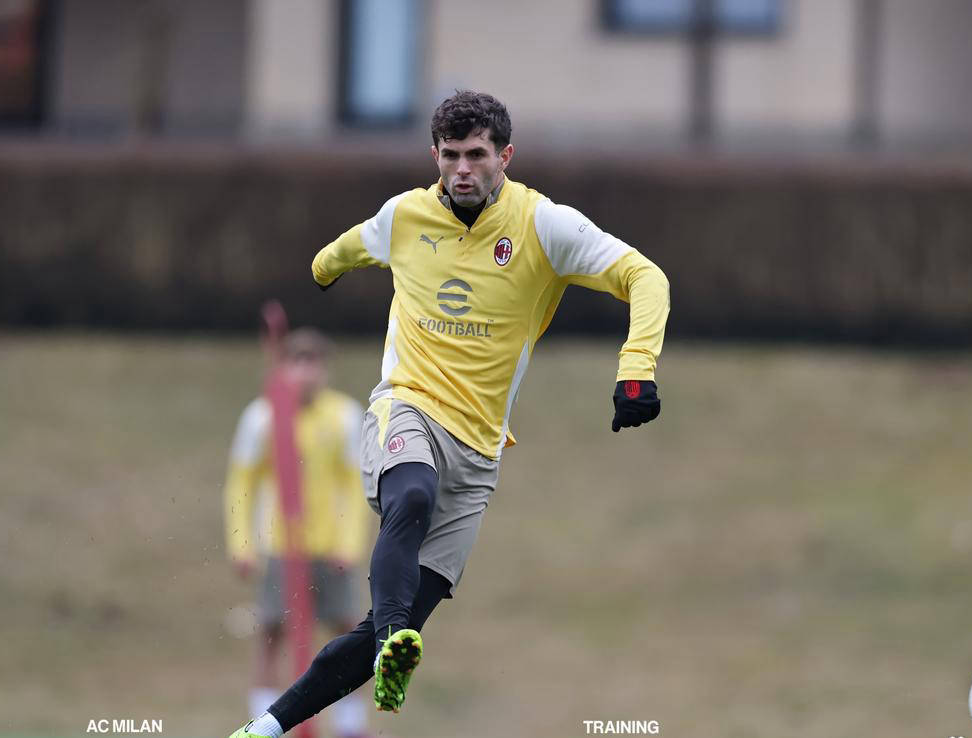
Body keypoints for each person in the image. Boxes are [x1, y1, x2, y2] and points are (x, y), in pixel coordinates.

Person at [229, 90, 669, 738]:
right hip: (406, 406)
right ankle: (393, 639)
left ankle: (264, 729)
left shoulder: (545, 226)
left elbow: (646, 277)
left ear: (505, 157)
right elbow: (349, 247)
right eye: (450, 155)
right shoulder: (404, 216)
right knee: (411, 495)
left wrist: (636, 370)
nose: (462, 169)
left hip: (479, 450)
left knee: (390, 627)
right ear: (434, 154)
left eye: (477, 155)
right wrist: (324, 267)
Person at [224, 328, 372, 738]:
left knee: (349, 634)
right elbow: (241, 482)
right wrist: (242, 544)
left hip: (329, 547)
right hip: (279, 546)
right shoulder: (262, 416)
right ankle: (262, 725)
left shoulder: (344, 415)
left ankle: (350, 727)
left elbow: (355, 483)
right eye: (298, 362)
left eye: (315, 363)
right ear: (283, 366)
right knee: (271, 635)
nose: (307, 372)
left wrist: (348, 543)